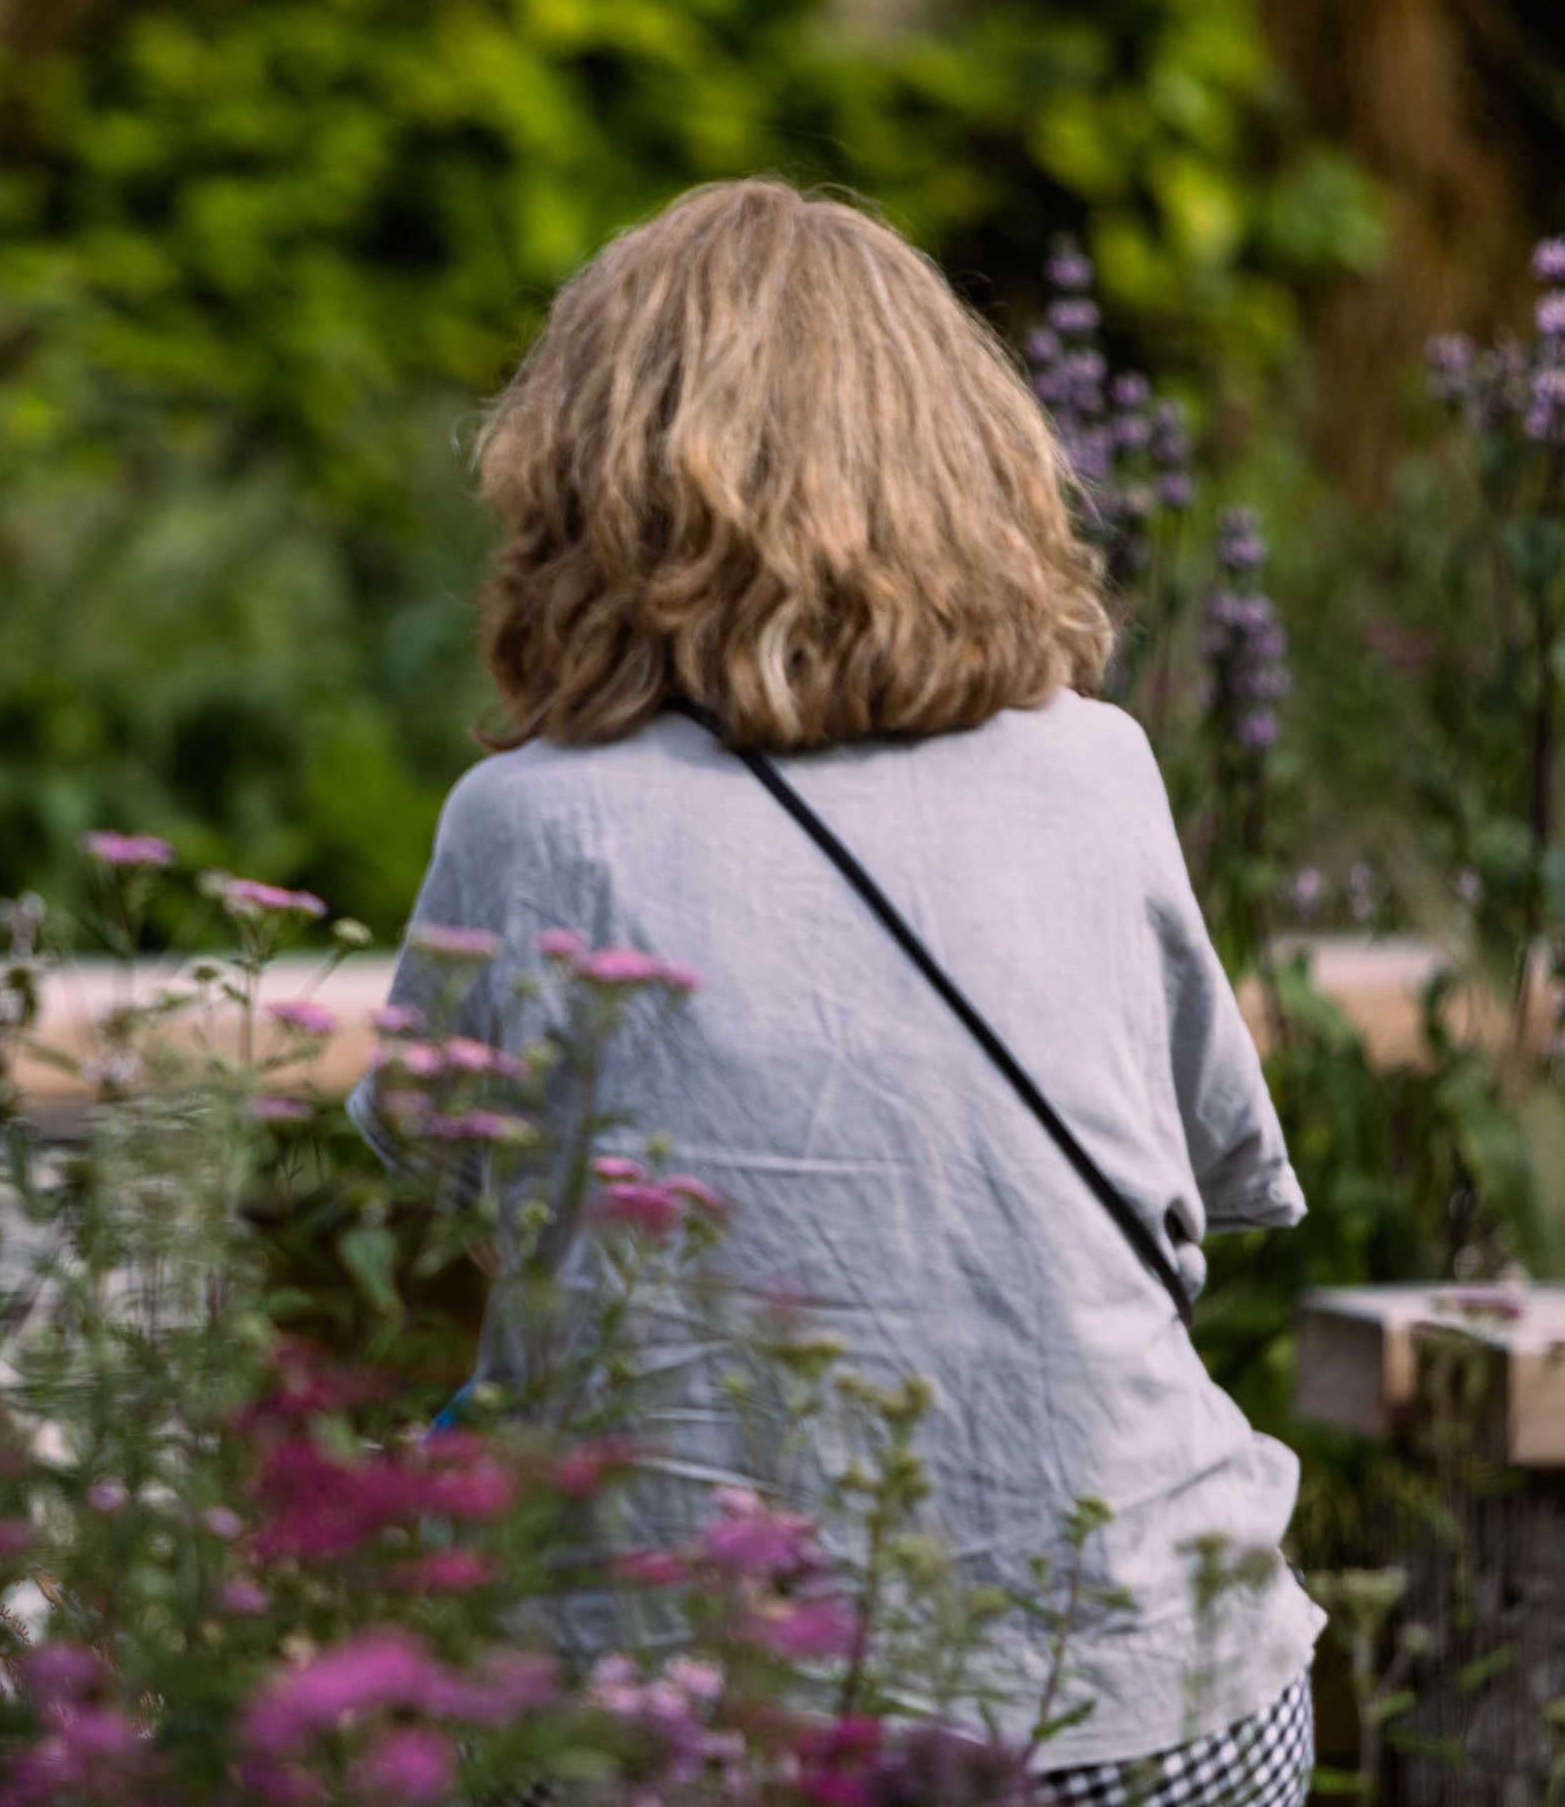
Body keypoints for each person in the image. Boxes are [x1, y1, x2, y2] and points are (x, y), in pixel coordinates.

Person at [353, 181, 1322, 1805]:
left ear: (587, 484)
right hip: (1154, 1695)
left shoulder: (531, 825)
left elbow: (445, 1239)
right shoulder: (1100, 772)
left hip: (692, 1715)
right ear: (970, 460)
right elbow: (1199, 1194)